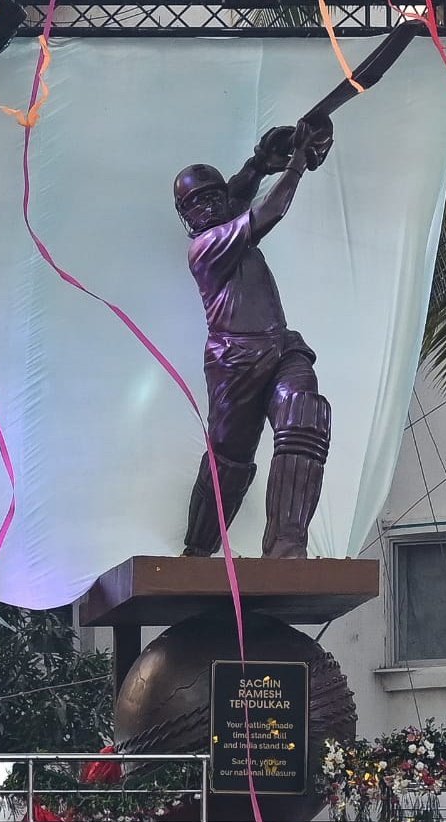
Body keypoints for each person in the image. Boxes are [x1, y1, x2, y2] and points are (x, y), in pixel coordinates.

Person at [174, 118, 334, 560]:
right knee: (229, 462)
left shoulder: (225, 214)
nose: (205, 208)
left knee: (303, 416)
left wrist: (260, 163)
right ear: (186, 217)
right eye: (194, 205)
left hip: (281, 346)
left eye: (210, 198)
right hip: (235, 363)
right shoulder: (207, 246)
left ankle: (286, 544)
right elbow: (268, 212)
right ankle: (198, 549)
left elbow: (238, 192)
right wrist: (296, 164)